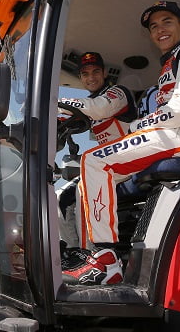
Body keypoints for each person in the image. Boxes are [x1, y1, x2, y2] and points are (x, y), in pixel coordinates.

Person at [63, 1, 180, 285]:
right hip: (173, 132)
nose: (160, 29)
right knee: (88, 175)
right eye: (154, 26)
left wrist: (139, 125)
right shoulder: (172, 60)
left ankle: (106, 260)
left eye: (167, 22)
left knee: (95, 161)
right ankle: (95, 255)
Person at [56, 52, 137, 269]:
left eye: (95, 72)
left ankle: (92, 256)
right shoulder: (89, 103)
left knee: (84, 188)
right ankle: (74, 252)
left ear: (104, 73)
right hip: (107, 164)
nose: (91, 77)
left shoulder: (118, 93)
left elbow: (99, 108)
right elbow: (69, 116)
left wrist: (56, 101)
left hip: (131, 159)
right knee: (61, 196)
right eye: (85, 74)